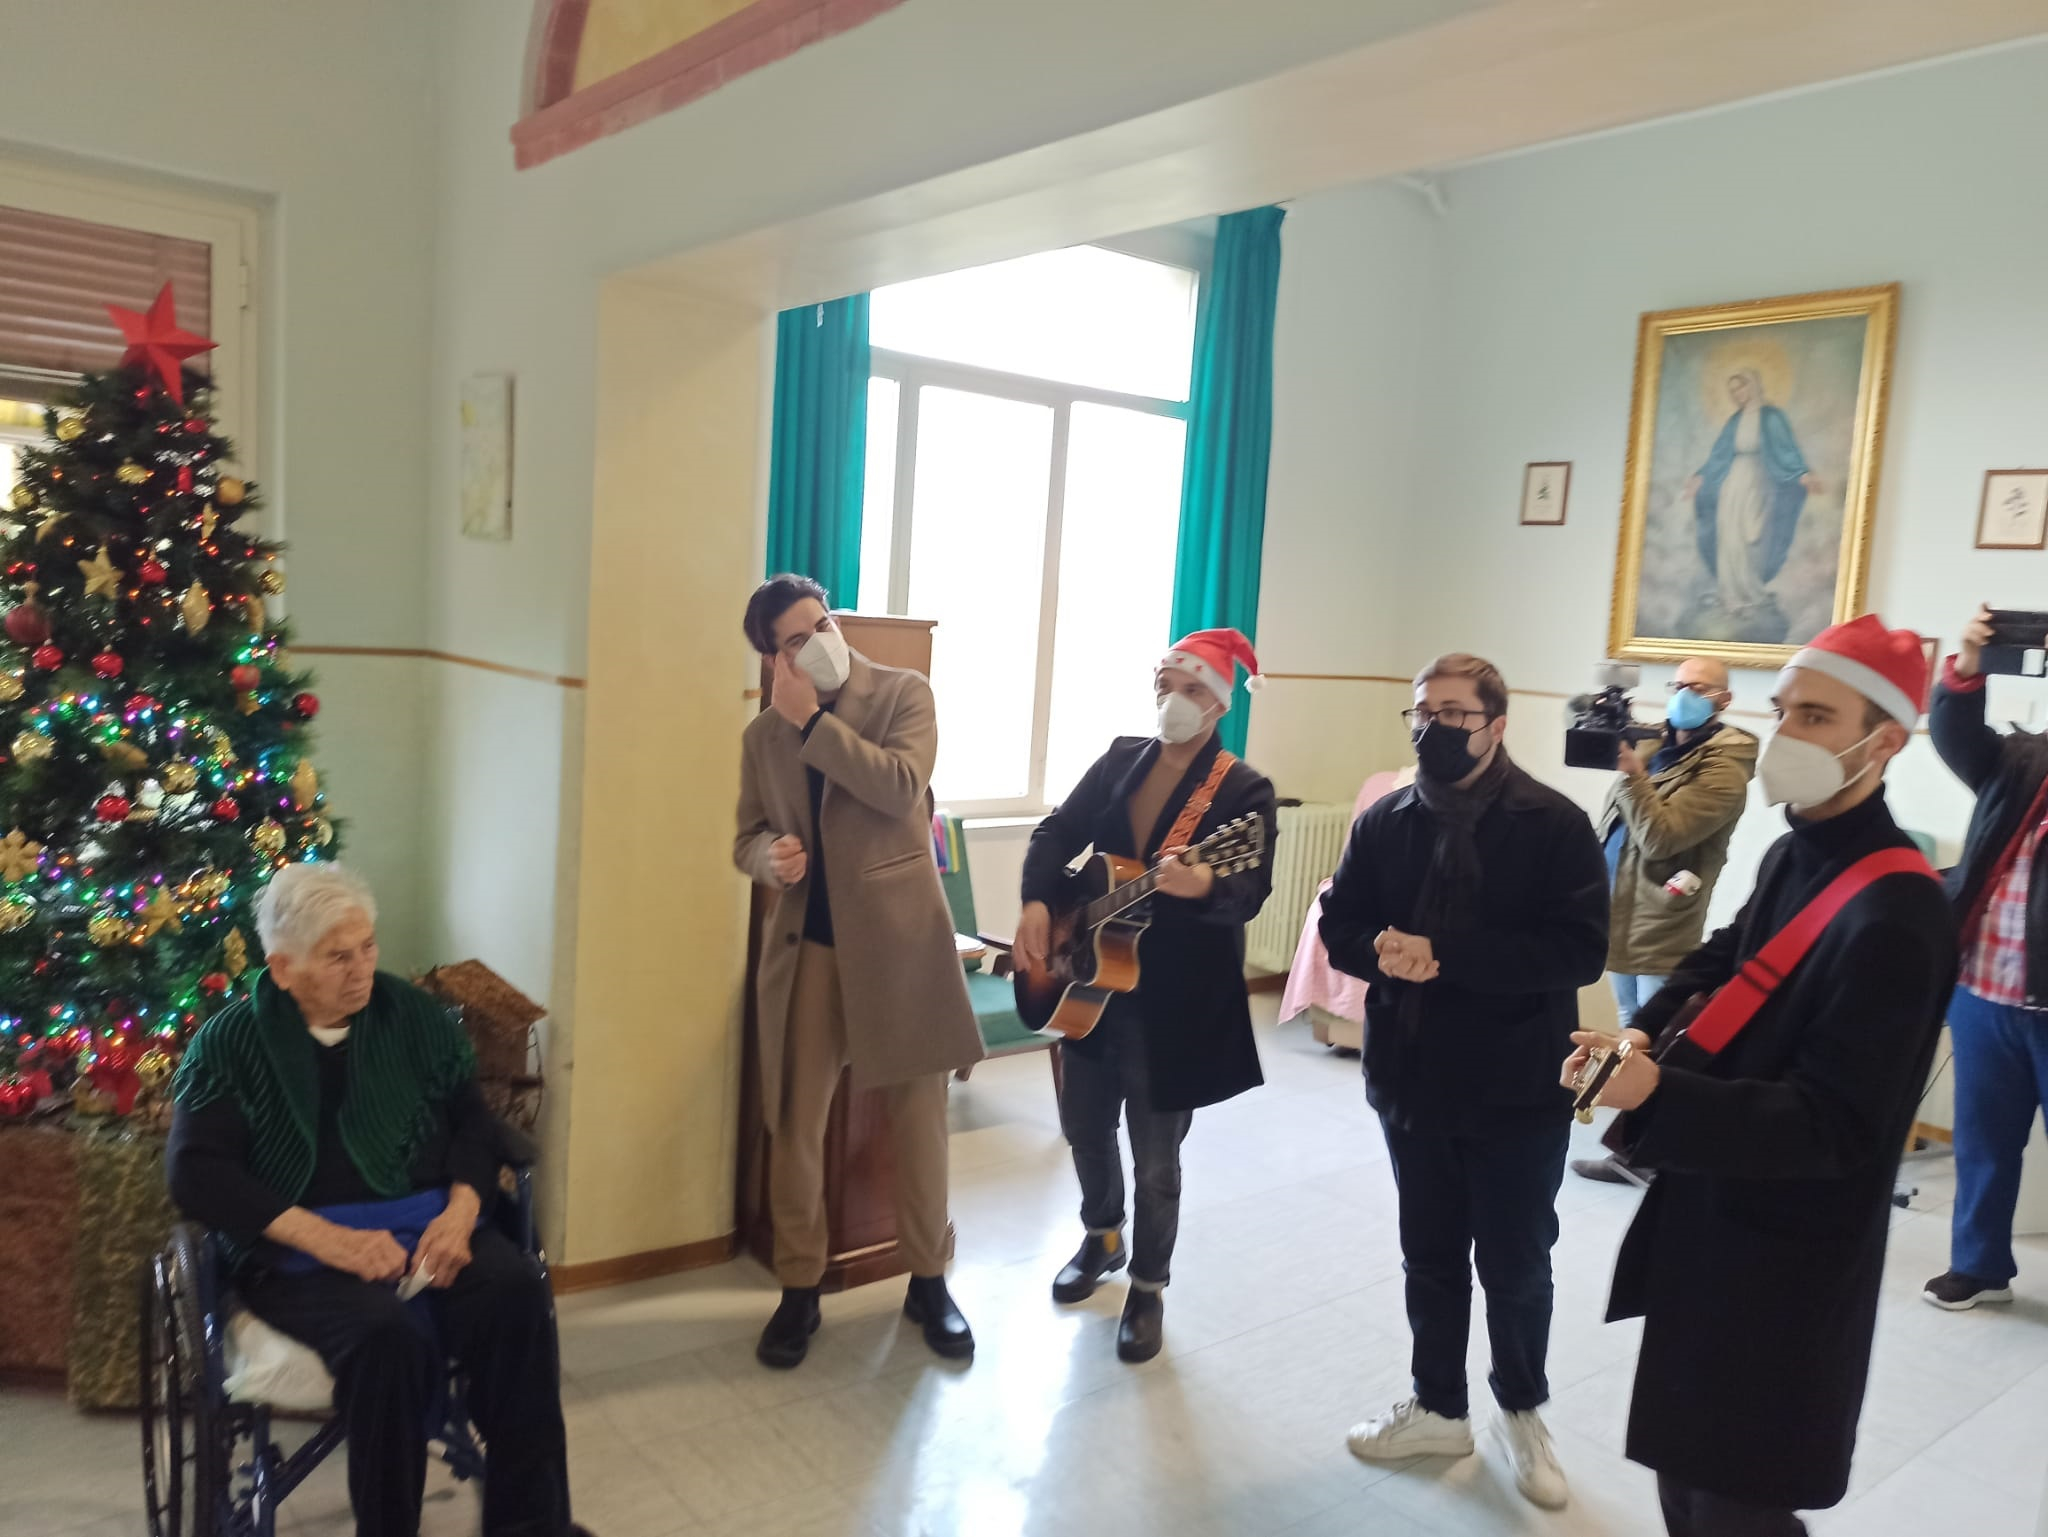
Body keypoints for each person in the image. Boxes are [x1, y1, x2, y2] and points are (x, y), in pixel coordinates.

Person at [1567, 615, 1956, 1536]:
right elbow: (1724, 957)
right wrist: (1641, 1034)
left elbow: (1834, 1126)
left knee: (1737, 1493)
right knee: (1683, 1467)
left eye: (1816, 716)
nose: (1786, 734)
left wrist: (1658, 1093)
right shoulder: (1796, 850)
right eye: (1783, 710)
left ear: (1885, 741)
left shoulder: (1899, 913)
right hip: (1714, 1198)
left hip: (1788, 1253)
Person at [166, 864, 587, 1537]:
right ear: (282, 968)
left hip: (432, 1225)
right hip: (298, 1255)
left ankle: (531, 1525)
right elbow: (196, 1172)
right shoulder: (229, 1044)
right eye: (338, 956)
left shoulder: (412, 1017)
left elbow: (474, 1124)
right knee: (385, 1339)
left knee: (514, 1292)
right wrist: (329, 1240)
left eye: (367, 946)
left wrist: (461, 1216)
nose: (362, 969)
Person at [1320, 653, 1608, 1511]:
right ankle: (1439, 1405)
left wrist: (1445, 955)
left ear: (1496, 724)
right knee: (1431, 1253)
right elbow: (1340, 919)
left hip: (1517, 1084)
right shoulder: (1387, 819)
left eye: (1453, 713)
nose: (1432, 727)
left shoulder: (1554, 823)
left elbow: (1577, 950)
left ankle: (1522, 1411)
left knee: (1516, 1262)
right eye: (1422, 712)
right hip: (1411, 1077)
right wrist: (1378, 949)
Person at [733, 574, 984, 1369]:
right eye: (795, 640)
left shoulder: (904, 693)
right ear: (774, 661)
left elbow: (900, 787)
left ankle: (929, 1279)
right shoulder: (761, 737)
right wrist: (767, 858)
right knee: (794, 1123)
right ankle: (799, 1286)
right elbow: (744, 836)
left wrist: (813, 723)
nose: (818, 642)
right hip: (808, 949)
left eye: (822, 623)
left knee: (918, 1120)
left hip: (900, 944)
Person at [1014, 629, 1276, 1364]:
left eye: (1191, 689)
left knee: (1157, 1159)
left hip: (1177, 1000)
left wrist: (1206, 883)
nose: (1173, 700)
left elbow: (1251, 890)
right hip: (1091, 981)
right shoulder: (1121, 758)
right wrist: (1038, 900)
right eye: (1165, 684)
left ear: (1219, 703)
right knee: (1083, 1124)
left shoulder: (1243, 790)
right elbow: (1057, 831)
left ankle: (1149, 1287)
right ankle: (1101, 1235)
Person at [1574, 656, 1756, 1187]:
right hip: (1616, 905)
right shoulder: (1654, 743)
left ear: (1724, 700)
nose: (1684, 695)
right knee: (1629, 1021)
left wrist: (1632, 775)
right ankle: (1634, 1149)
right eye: (1678, 685)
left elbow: (1662, 838)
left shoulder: (1725, 767)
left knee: (1663, 1038)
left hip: (1663, 912)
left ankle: (1656, 1152)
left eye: (1698, 688)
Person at [1923, 603, 2048, 1310]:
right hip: (1984, 993)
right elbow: (1955, 733)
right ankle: (1978, 1266)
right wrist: (1968, 667)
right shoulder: (2020, 760)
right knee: (1983, 1141)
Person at [1687, 369, 1822, 633]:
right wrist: (1700, 477)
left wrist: (1801, 473)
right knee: (1730, 536)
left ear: (1753, 386)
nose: (1737, 394)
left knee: (1753, 536)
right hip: (1732, 482)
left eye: (1741, 388)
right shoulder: (1735, 421)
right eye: (1733, 391)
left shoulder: (1772, 417)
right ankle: (1731, 596)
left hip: (1760, 479)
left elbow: (1786, 449)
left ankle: (1752, 593)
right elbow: (1719, 456)